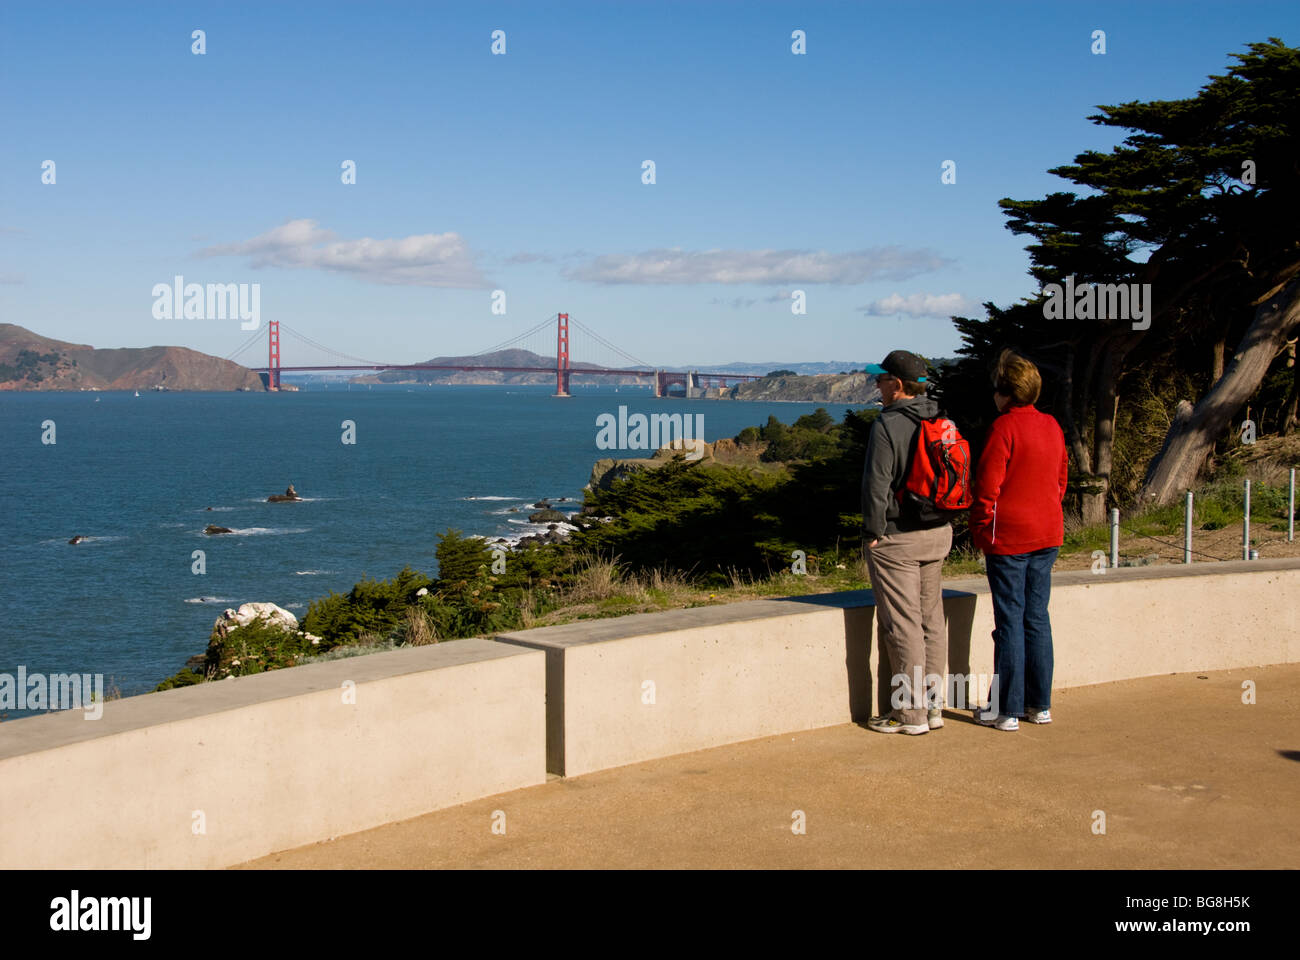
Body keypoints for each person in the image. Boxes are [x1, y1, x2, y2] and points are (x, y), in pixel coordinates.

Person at [969, 350, 1069, 731]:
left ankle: (1006, 709)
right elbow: (1060, 481)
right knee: (1036, 618)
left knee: (1009, 620)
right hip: (1047, 533)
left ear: (1005, 392)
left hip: (1009, 538)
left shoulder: (1003, 428)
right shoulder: (1052, 426)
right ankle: (1037, 704)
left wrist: (981, 529)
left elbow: (987, 489)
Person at [861, 350, 955, 735]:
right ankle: (934, 709)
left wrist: (873, 532)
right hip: (938, 533)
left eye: (880, 380)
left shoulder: (887, 425)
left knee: (902, 626)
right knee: (931, 620)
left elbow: (876, 486)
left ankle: (910, 715)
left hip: (898, 540)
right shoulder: (940, 418)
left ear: (897, 385)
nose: (876, 386)